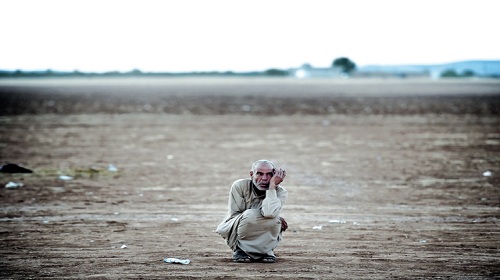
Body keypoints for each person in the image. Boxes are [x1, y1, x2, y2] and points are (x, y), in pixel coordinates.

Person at [216, 159, 288, 263]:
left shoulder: (280, 192)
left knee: (274, 219)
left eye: (269, 175)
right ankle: (240, 250)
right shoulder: (239, 186)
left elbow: (269, 213)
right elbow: (240, 214)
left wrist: (272, 187)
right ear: (251, 174)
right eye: (259, 174)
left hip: (264, 229)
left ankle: (267, 251)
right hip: (237, 231)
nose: (264, 178)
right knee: (252, 215)